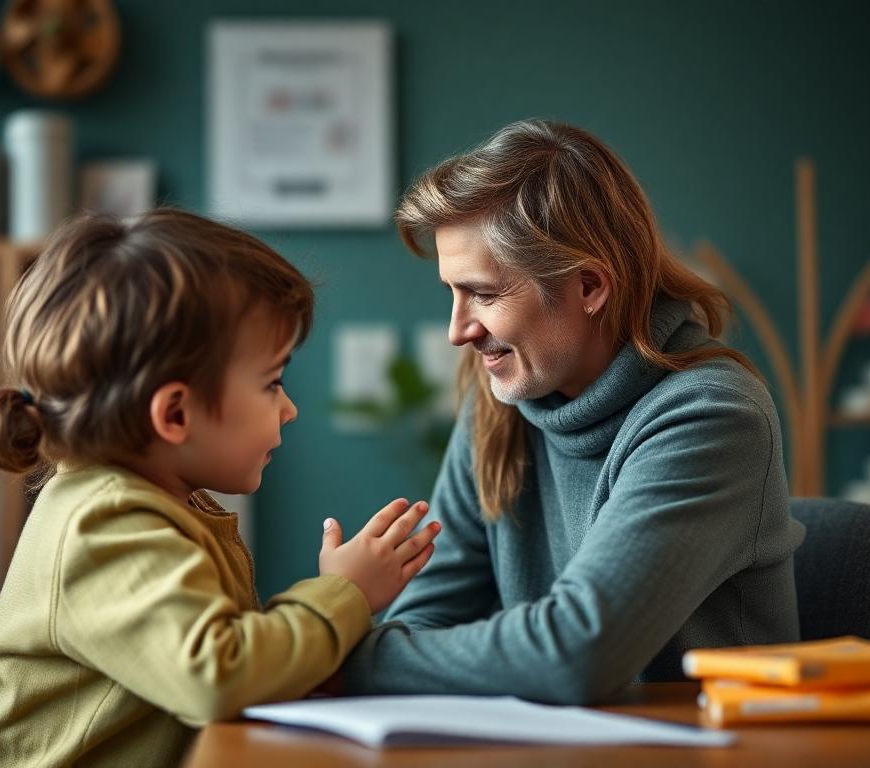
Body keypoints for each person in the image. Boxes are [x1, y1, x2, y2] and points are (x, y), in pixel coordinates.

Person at [339, 120, 805, 704]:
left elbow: (575, 654)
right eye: (451, 293)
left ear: (589, 285)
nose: (458, 331)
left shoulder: (711, 415)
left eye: (483, 294)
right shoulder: (500, 399)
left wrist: (332, 652)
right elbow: (432, 616)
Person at [0, 209, 440, 767]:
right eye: (272, 383)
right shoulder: (104, 524)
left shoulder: (160, 504)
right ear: (176, 413)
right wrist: (344, 592)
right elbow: (219, 676)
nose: (289, 409)